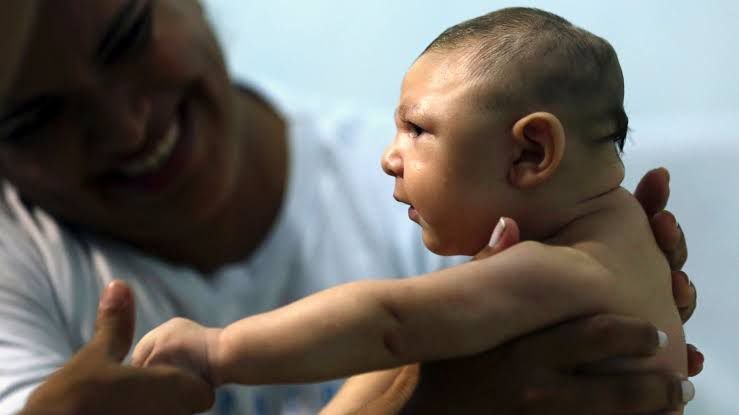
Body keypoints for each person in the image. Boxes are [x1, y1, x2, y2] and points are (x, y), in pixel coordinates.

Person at [0, 2, 698, 414]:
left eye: (416, 130)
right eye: (34, 118)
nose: (390, 158)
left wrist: (218, 350)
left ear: (531, 153)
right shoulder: (609, 235)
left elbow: (391, 323)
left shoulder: (542, 256)